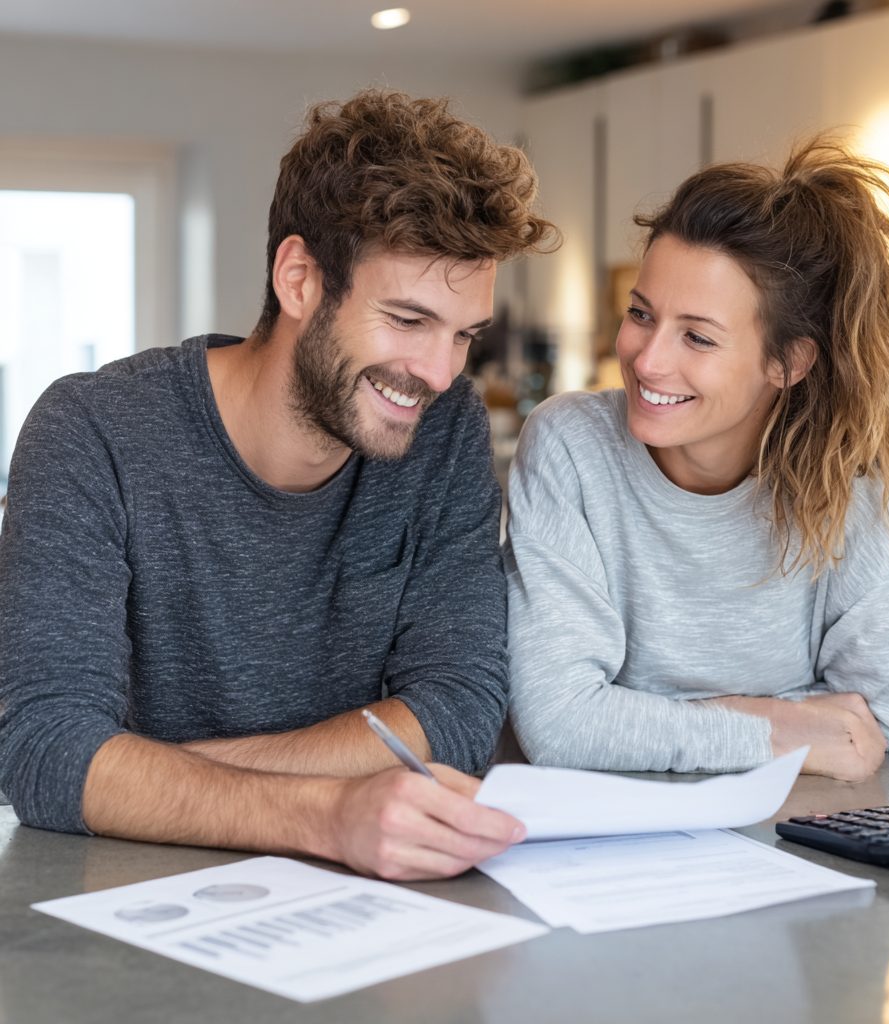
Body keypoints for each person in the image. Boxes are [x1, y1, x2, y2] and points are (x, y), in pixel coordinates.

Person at [0, 90, 556, 879]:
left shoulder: (444, 430)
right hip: (119, 893)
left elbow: (457, 712)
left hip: (355, 899)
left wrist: (137, 776)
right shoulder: (92, 431)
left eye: (463, 333)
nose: (439, 372)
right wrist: (326, 815)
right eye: (407, 320)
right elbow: (48, 751)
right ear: (299, 279)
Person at [505, 137, 889, 783]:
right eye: (640, 314)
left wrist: (636, 718)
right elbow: (558, 722)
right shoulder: (571, 447)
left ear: (788, 362)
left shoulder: (859, 486)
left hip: (792, 824)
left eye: (697, 337)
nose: (648, 360)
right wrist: (773, 726)